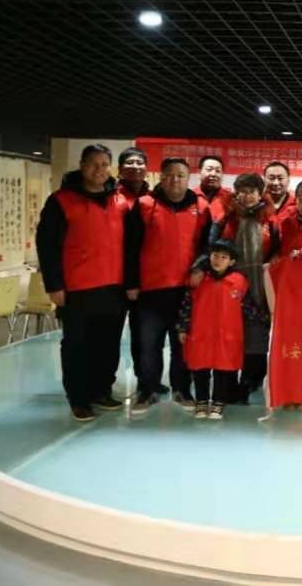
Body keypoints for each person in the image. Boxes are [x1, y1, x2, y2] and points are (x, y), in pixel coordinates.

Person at [36, 144, 129, 422]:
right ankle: (78, 398)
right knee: (77, 346)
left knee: (108, 344)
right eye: (93, 164)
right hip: (76, 289)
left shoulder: (120, 201)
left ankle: (102, 390)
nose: (99, 170)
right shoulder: (61, 200)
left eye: (104, 164)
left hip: (114, 287)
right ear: (81, 165)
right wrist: (54, 285)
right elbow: (46, 245)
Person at [124, 157, 211, 414]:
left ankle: (182, 389)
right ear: (160, 177)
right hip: (149, 290)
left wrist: (200, 268)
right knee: (148, 344)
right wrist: (131, 282)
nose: (175, 180)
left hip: (185, 291)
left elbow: (207, 245)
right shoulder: (144, 205)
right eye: (170, 175)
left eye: (180, 175)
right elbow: (130, 247)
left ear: (189, 178)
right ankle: (147, 389)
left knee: (182, 345)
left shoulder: (201, 207)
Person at [210, 172, 281, 403]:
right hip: (230, 285)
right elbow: (212, 247)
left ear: (260, 194)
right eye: (242, 191)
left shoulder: (270, 219)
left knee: (257, 337)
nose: (247, 196)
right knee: (230, 335)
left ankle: (250, 382)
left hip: (259, 287)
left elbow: (278, 249)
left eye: (252, 191)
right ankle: (228, 381)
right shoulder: (227, 218)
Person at [177, 240, 247, 421]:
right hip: (201, 332)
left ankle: (218, 401)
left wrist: (265, 318)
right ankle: (201, 400)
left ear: (231, 262)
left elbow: (247, 306)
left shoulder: (239, 281)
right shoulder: (199, 279)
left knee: (222, 369)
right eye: (215, 255)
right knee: (200, 368)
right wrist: (183, 327)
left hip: (226, 334)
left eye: (224, 257)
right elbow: (187, 304)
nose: (218, 260)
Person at [114, 147, 152, 393]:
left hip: (144, 277)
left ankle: (145, 380)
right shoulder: (111, 196)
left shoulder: (153, 198)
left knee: (142, 334)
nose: (135, 167)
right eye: (130, 162)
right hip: (114, 276)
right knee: (110, 334)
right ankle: (102, 385)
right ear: (120, 169)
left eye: (140, 162)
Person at [194, 155, 234, 227]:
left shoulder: (231, 198)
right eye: (209, 170)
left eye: (218, 171)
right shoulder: (190, 196)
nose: (213, 174)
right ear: (199, 172)